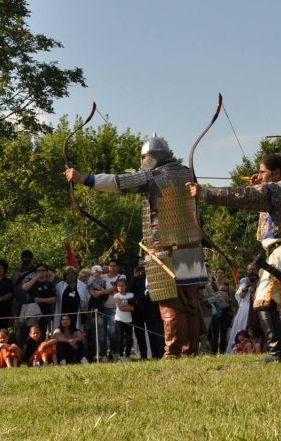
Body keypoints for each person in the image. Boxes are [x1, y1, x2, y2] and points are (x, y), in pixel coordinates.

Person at [187, 154, 281, 362]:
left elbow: (242, 196)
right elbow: (258, 203)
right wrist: (260, 187)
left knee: (263, 301)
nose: (259, 174)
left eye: (262, 171)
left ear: (276, 173)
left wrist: (205, 193)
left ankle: (277, 353)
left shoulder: (278, 189)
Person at [66, 135, 207, 358]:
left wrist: (84, 179)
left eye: (143, 158)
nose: (142, 162)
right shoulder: (186, 173)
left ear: (149, 157)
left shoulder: (155, 176)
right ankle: (190, 350)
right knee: (189, 304)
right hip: (193, 252)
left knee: (170, 304)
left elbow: (120, 182)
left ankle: (172, 352)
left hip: (167, 252)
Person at [207, 268, 235, 355]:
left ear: (224, 275)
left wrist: (227, 299)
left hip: (225, 311)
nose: (220, 274)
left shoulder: (227, 285)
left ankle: (222, 352)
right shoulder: (211, 284)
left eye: (221, 273)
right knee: (214, 333)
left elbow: (231, 299)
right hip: (214, 311)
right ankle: (213, 352)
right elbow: (208, 296)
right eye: (218, 272)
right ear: (215, 274)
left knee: (223, 333)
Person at [112, 277, 135, 361]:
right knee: (120, 339)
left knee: (129, 339)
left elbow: (134, 306)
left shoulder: (131, 295)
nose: (120, 287)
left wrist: (130, 307)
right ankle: (121, 356)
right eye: (118, 286)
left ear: (126, 286)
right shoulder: (116, 295)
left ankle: (128, 356)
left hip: (129, 320)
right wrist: (130, 307)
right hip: (119, 320)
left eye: (122, 285)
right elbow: (120, 307)